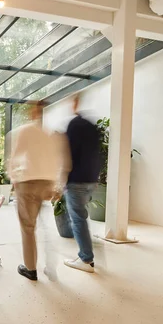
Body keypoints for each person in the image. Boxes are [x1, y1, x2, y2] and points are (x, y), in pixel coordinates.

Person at [7, 102, 69, 281]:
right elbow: (60, 162)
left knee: (28, 227)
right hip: (46, 184)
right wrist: (55, 185)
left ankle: (30, 268)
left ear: (32, 112)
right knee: (44, 225)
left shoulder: (26, 130)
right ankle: (51, 266)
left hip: (28, 183)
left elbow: (16, 156)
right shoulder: (53, 135)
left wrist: (13, 178)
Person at [60, 94, 102, 273]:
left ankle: (86, 259)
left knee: (78, 219)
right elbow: (98, 154)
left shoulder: (73, 125)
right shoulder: (92, 126)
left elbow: (67, 154)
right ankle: (85, 255)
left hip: (76, 179)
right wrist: (96, 177)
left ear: (74, 104)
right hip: (90, 179)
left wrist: (62, 178)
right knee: (81, 217)